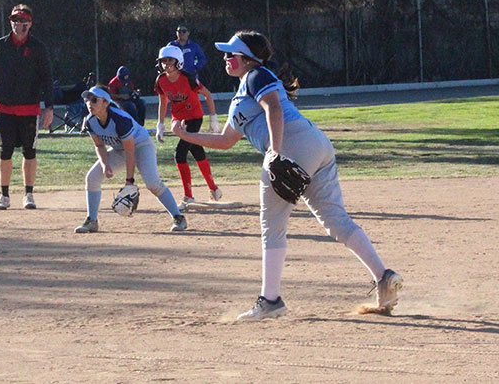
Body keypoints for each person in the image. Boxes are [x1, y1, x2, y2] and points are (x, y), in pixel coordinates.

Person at [171, 30, 403, 321]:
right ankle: (384, 276)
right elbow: (227, 140)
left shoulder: (256, 75)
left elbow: (274, 109)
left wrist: (275, 153)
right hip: (315, 145)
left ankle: (270, 301)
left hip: (292, 145)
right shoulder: (244, 89)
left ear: (247, 58)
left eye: (232, 53)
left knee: (273, 227)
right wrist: (186, 135)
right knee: (335, 220)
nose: (226, 58)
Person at [75, 85, 187, 233]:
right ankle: (91, 221)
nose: (89, 103)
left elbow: (130, 151)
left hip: (141, 145)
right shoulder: (90, 121)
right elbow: (99, 145)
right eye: (87, 99)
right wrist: (104, 164)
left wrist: (129, 181)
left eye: (94, 100)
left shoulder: (120, 120)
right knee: (92, 178)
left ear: (106, 102)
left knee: (152, 183)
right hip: (119, 149)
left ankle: (178, 218)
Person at [0, 4, 54, 211]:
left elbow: (47, 78)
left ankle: (28, 194)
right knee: (5, 151)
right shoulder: (1, 45)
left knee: (29, 151)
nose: (17, 24)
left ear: (29, 23)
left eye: (22, 20)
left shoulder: (37, 47)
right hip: (5, 107)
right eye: (14, 20)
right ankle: (4, 195)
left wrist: (49, 107)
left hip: (29, 108)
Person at [154, 45, 223, 211]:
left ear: (178, 61)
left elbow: (207, 95)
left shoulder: (188, 78)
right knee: (196, 151)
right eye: (163, 61)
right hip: (179, 120)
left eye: (170, 60)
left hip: (194, 118)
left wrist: (213, 118)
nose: (166, 64)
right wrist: (160, 124)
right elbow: (163, 102)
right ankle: (214, 189)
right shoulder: (161, 80)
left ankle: (188, 196)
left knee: (180, 153)